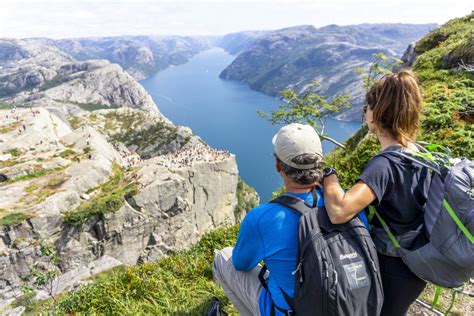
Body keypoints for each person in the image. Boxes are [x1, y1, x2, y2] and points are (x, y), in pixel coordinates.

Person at [323, 69, 428, 316]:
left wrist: (329, 175)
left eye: (367, 107)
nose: (366, 113)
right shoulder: (421, 152)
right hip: (417, 264)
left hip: (392, 267)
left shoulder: (384, 165)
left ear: (377, 112)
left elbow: (339, 211)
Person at [213, 123, 325, 316]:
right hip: (346, 304)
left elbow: (241, 264)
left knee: (223, 257)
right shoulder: (347, 204)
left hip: (293, 310)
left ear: (278, 166)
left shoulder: (264, 217)